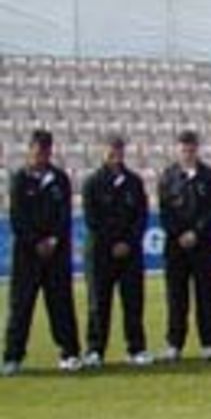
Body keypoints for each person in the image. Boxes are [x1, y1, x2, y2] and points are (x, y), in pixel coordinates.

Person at [2, 129, 81, 375]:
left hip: (56, 254)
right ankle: (13, 357)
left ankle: (69, 353)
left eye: (46, 150)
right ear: (30, 149)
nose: (41, 154)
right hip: (27, 254)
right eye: (37, 149)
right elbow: (17, 217)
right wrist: (36, 241)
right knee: (21, 305)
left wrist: (53, 240)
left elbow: (64, 215)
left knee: (60, 304)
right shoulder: (19, 179)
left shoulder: (59, 179)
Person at [82, 133, 150, 368]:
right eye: (111, 152)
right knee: (99, 303)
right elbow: (92, 219)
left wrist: (128, 242)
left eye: (119, 152)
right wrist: (112, 243)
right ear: (103, 152)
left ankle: (136, 348)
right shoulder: (92, 183)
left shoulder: (134, 182)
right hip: (101, 253)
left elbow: (141, 216)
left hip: (129, 253)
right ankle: (95, 350)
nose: (115, 156)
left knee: (133, 302)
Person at [158, 129, 211, 361]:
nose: (188, 153)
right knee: (176, 297)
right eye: (184, 149)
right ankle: (175, 343)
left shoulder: (209, 176)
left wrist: (195, 232)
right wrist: (179, 233)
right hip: (176, 247)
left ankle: (209, 343)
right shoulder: (168, 176)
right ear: (178, 150)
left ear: (197, 149)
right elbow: (166, 211)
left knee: (206, 295)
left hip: (203, 245)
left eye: (191, 149)